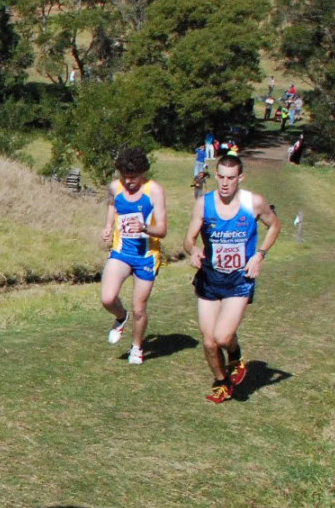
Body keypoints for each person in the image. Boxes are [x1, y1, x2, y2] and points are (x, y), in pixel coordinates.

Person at [185, 152, 280, 404]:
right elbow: (188, 239)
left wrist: (259, 255)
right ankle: (222, 381)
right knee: (208, 342)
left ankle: (236, 356)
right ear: (216, 176)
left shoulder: (254, 203)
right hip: (209, 278)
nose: (225, 183)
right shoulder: (204, 204)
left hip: (239, 280)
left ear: (241, 177)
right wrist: (193, 250)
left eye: (231, 178)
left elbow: (275, 226)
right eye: (221, 177)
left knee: (223, 337)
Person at [98, 146, 166, 365]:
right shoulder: (114, 188)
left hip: (146, 256)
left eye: (134, 178)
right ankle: (120, 317)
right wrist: (108, 226)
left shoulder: (154, 191)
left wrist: (144, 227)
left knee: (139, 308)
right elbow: (112, 206)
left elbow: (163, 229)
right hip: (121, 251)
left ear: (143, 173)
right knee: (107, 298)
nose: (129, 182)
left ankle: (136, 347)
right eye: (125, 177)